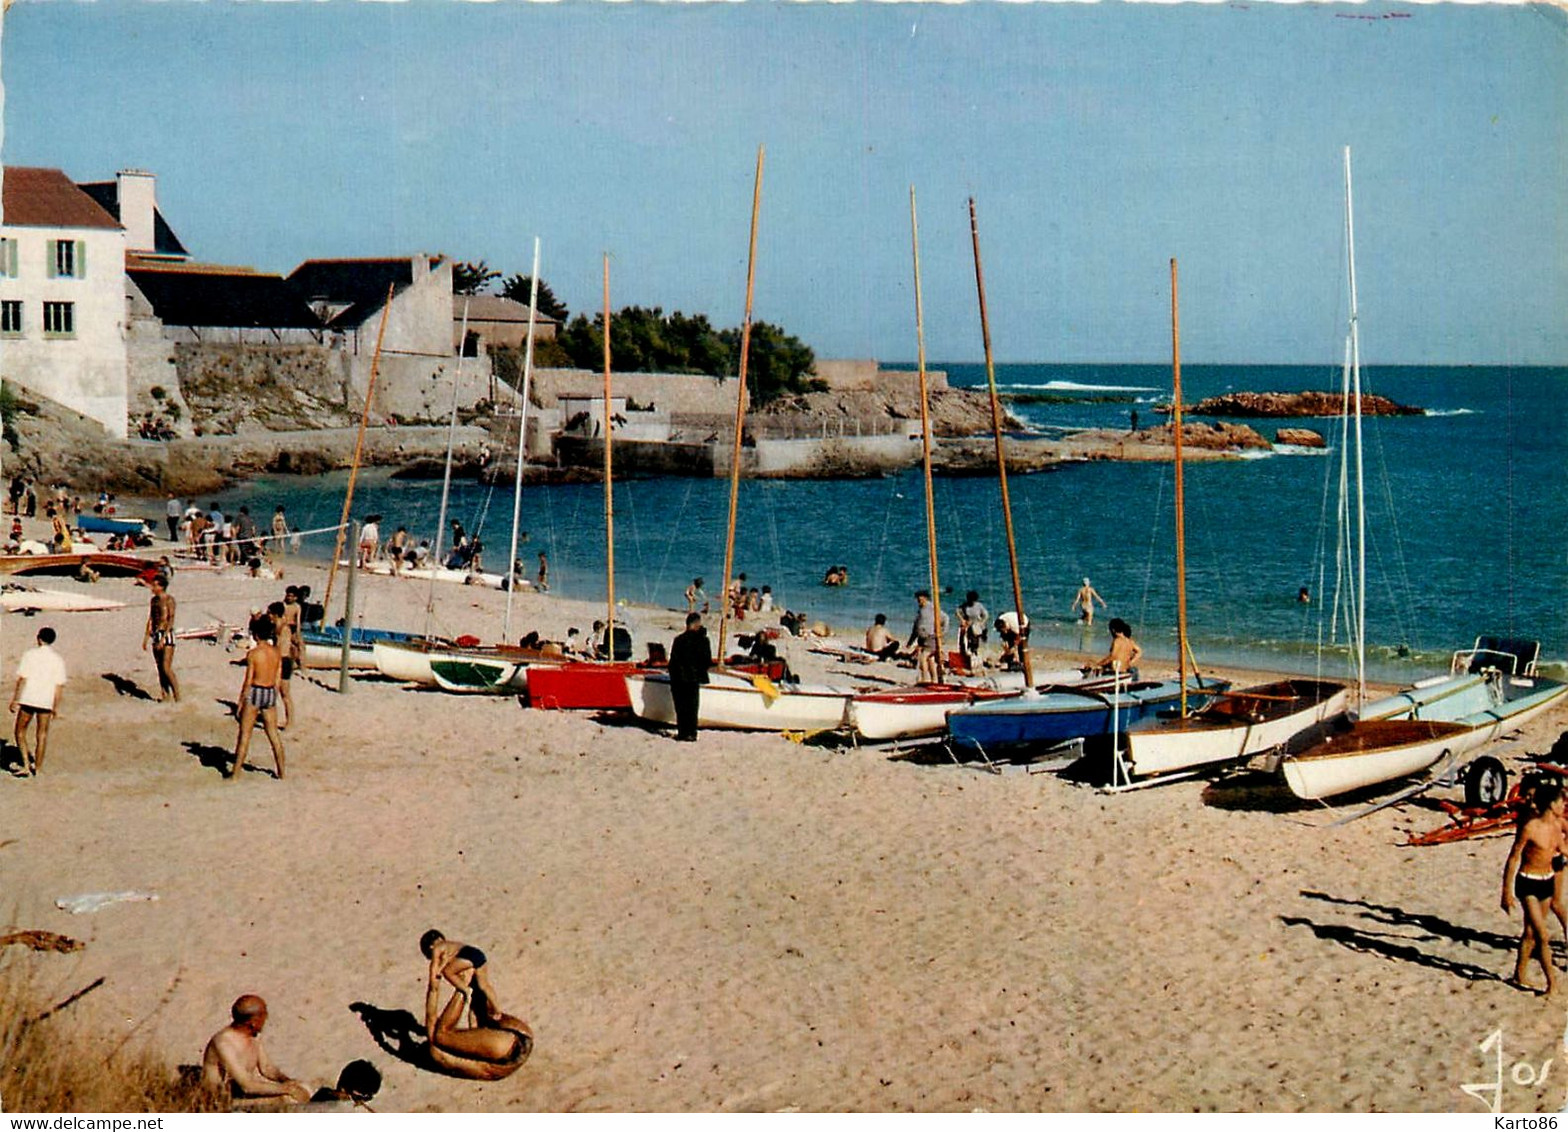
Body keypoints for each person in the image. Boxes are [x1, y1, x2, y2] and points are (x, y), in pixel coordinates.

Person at [422, 936, 532, 1081]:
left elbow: (434, 1029)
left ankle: (465, 987)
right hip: (521, 1034)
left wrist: (457, 987)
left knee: (439, 1037)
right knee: (480, 1006)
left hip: (504, 1052)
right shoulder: (464, 1044)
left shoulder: (440, 1052)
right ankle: (467, 984)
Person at [1503, 780, 1567, 994]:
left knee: (1530, 932)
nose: (1563, 806)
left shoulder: (1557, 826)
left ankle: (1519, 974)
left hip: (1547, 880)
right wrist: (1506, 892)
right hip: (1527, 882)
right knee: (1543, 935)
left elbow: (1563, 850)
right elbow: (1513, 859)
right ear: (1551, 804)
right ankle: (1552, 984)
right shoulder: (1530, 827)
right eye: (1561, 802)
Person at [201, 995, 311, 1104]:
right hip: (224, 1101)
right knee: (288, 1099)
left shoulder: (253, 1036)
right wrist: (286, 1089)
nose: (266, 1018)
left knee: (304, 1088)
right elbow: (247, 1086)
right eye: (263, 1015)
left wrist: (287, 1081)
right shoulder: (223, 1043)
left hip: (242, 1093)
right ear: (253, 1022)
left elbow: (267, 1068)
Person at [230, 614, 287, 780]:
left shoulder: (253, 654)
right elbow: (277, 678)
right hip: (269, 691)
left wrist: (241, 702)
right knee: (273, 734)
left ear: (255, 635)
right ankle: (282, 772)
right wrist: (273, 696)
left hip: (255, 690)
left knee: (245, 735)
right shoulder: (276, 653)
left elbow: (248, 681)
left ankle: (235, 774)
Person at [9, 627, 65, 776]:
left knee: (20, 731)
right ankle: (38, 768)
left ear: (39, 638)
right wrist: (55, 706)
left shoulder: (30, 655)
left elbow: (22, 678)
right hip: (46, 700)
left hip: (29, 697)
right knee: (42, 734)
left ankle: (26, 765)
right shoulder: (57, 659)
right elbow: (59, 686)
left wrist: (15, 699)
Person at [667, 612, 712, 742]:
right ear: (697, 624)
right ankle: (691, 733)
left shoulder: (679, 640)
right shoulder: (703, 640)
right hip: (694, 677)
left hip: (680, 677)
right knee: (692, 707)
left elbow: (673, 661)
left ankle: (683, 732)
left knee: (681, 707)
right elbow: (706, 660)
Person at [142, 572, 180, 703]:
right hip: (156, 633)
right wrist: (146, 637)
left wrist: (164, 638)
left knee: (166, 667)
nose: (152, 588)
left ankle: (177, 696)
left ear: (161, 586)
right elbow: (151, 618)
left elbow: (170, 619)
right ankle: (165, 694)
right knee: (159, 668)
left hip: (167, 634)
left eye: (155, 585)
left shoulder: (169, 600)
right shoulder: (154, 601)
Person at [269, 600, 295, 730]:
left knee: (284, 693)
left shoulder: (284, 629)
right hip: (279, 660)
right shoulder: (276, 627)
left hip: (283, 661)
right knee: (275, 691)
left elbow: (282, 648)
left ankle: (290, 721)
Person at [906, 589, 941, 683]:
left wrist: (940, 633)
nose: (918, 600)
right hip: (922, 638)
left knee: (922, 658)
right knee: (930, 660)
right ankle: (934, 679)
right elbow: (916, 627)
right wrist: (910, 641)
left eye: (919, 598)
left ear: (925, 598)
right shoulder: (921, 610)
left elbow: (945, 618)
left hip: (930, 637)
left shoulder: (931, 608)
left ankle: (925, 679)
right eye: (917, 598)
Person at [958, 590, 989, 672]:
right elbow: (957, 611)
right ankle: (966, 657)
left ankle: (976, 656)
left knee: (974, 642)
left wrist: (981, 623)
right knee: (965, 642)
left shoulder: (979, 606)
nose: (971, 602)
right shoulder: (965, 605)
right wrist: (962, 620)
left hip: (977, 625)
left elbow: (986, 615)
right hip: (968, 624)